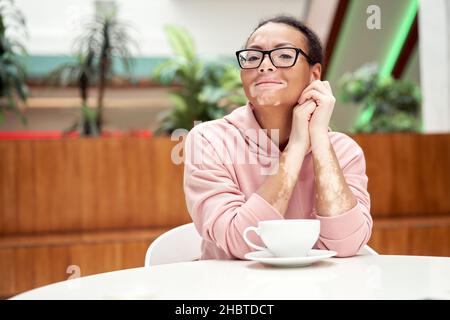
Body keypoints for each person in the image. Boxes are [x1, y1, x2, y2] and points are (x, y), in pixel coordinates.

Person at [183, 15, 372, 260]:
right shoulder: (209, 140)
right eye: (253, 57)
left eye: (284, 55)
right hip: (234, 292)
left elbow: (346, 245)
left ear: (314, 75)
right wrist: (296, 148)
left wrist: (318, 139)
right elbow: (242, 242)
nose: (264, 65)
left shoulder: (343, 150)